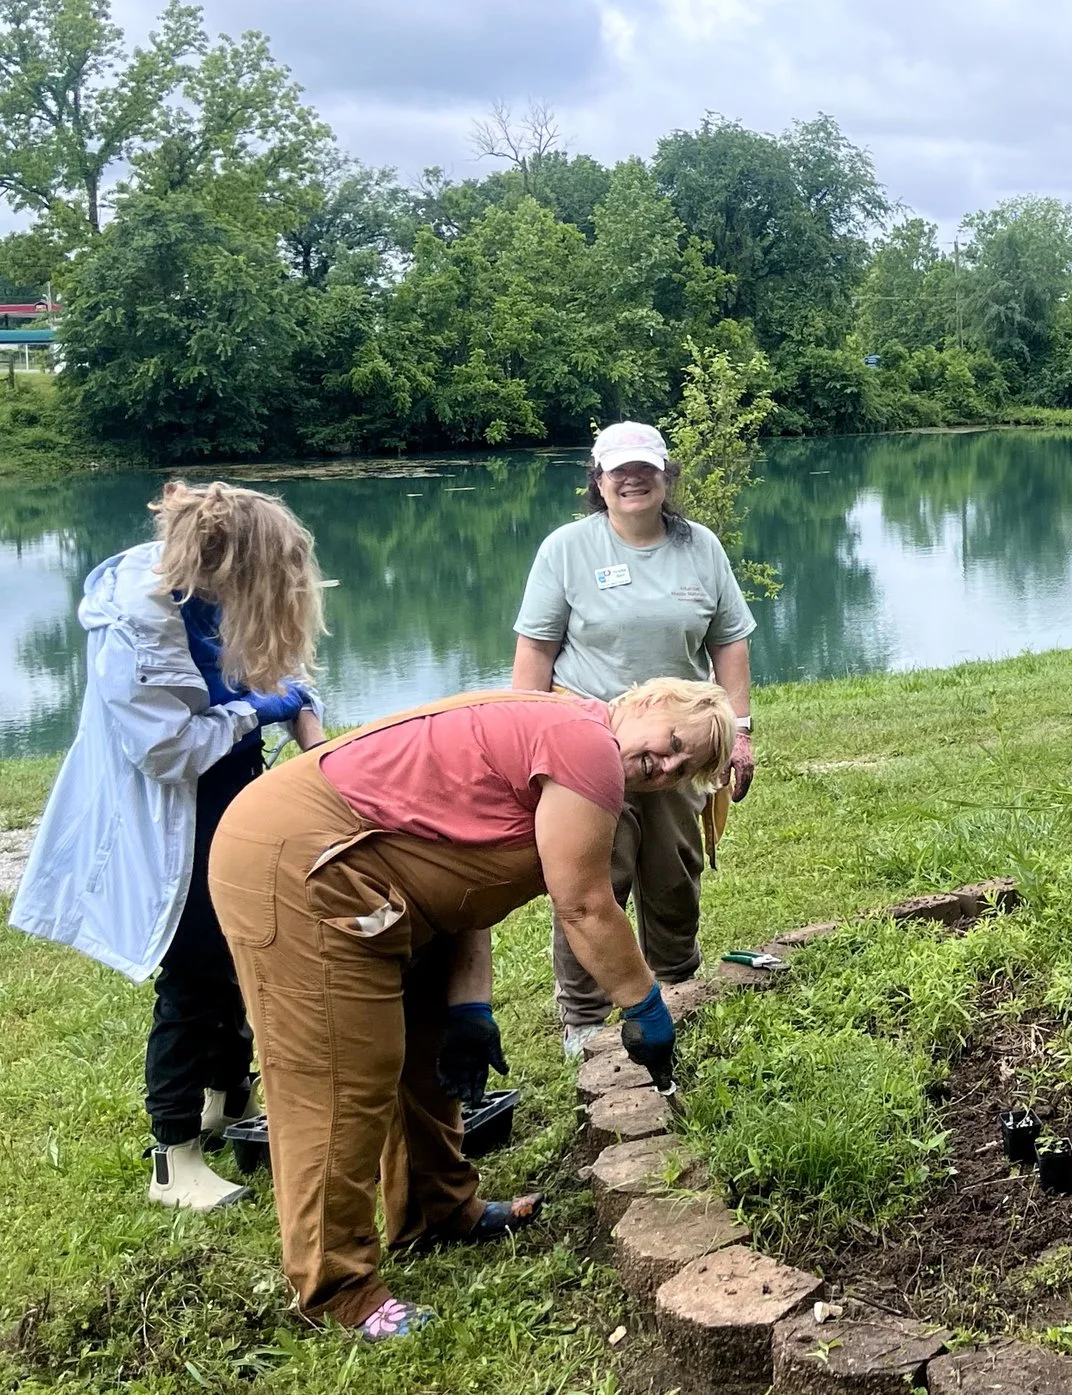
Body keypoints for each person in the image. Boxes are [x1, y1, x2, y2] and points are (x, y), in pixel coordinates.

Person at [205, 680, 731, 1339]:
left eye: (684, 769)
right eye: (675, 742)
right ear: (648, 702)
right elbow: (586, 905)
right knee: (343, 1076)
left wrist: (469, 1007)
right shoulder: (586, 744)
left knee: (428, 1046)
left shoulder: (576, 738)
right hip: (303, 861)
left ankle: (436, 1209)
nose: (668, 764)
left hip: (376, 874)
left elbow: (461, 856)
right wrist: (646, 1004)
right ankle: (336, 1290)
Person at [10, 480, 325, 1212]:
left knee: (233, 950)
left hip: (230, 797)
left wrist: (300, 723)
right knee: (189, 971)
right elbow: (167, 750)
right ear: (226, 562)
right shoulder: (136, 625)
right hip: (170, 813)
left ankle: (225, 1096)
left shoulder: (220, 597)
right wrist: (255, 711)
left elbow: (283, 671)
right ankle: (173, 1155)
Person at [512, 420, 757, 1059]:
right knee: (593, 878)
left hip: (680, 740)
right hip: (586, 742)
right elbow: (535, 651)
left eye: (644, 468)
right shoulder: (567, 549)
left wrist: (741, 732)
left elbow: (729, 640)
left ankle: (676, 987)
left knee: (675, 870)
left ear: (666, 476)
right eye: (617, 470)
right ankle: (585, 1020)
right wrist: (527, 740)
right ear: (598, 481)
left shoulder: (700, 547)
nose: (632, 479)